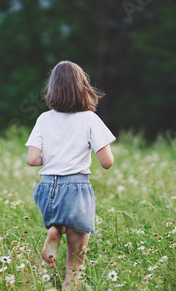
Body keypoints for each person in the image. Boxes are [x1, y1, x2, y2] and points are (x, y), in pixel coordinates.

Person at [25, 60, 116, 290]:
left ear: (52, 89)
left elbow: (32, 159)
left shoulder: (44, 118)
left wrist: (55, 159)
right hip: (76, 188)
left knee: (60, 217)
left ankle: (56, 228)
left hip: (47, 189)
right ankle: (69, 284)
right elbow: (106, 162)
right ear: (82, 87)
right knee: (75, 266)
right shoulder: (89, 119)